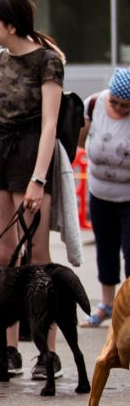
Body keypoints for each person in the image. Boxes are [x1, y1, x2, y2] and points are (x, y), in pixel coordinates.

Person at [0, 0, 66, 379]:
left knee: (37, 255)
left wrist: (38, 179)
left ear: (10, 24)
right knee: (5, 256)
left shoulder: (48, 61)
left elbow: (50, 125)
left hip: (31, 152)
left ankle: (48, 351)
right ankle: (9, 351)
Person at [77, 67, 130, 327]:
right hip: (99, 192)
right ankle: (107, 305)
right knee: (106, 249)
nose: (119, 109)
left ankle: (128, 309)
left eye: (126, 106)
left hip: (129, 196)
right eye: (115, 103)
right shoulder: (94, 104)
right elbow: (77, 140)